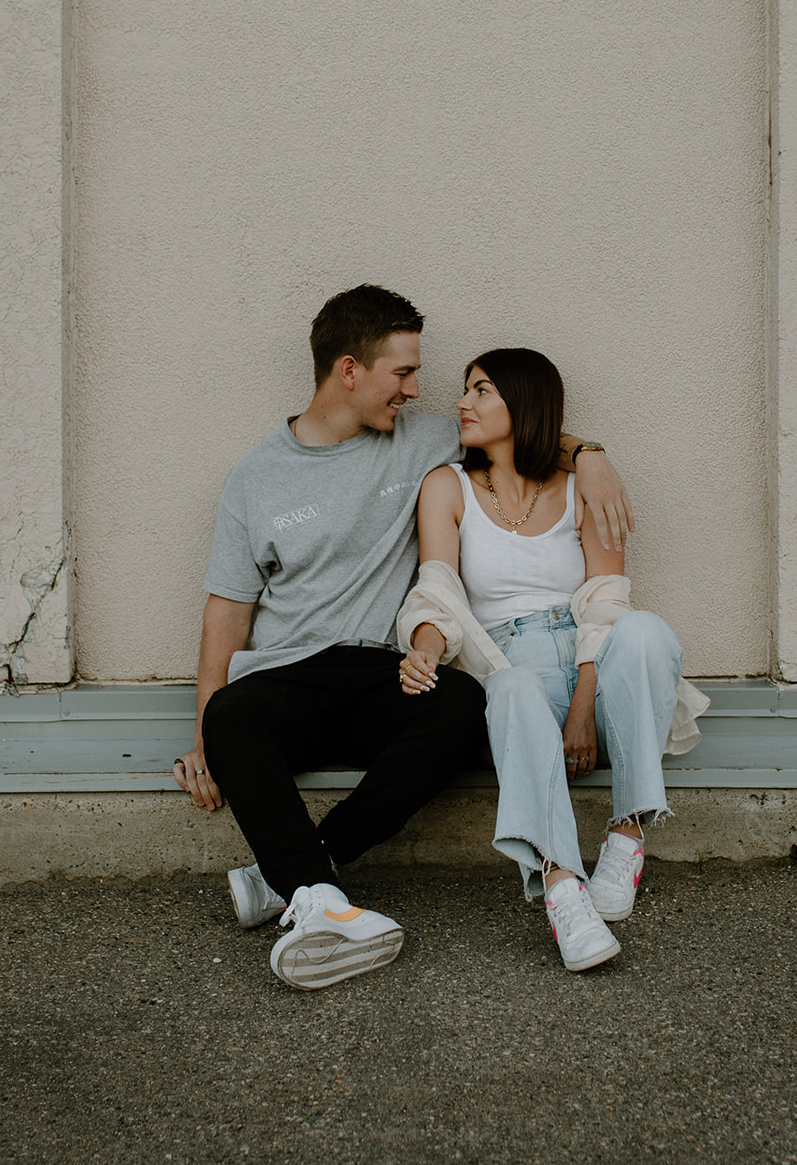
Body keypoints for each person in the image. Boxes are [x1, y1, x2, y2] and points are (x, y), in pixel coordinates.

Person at [173, 287, 635, 991]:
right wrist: (204, 730)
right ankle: (320, 898)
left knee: (462, 704)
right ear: (349, 370)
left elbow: (525, 432)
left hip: (383, 676)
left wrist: (591, 455)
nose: (416, 390)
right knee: (230, 714)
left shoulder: (423, 441)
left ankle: (301, 882)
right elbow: (227, 613)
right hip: (289, 679)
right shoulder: (255, 477)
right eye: (403, 373)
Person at [396, 348, 707, 973]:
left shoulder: (577, 490)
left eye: (481, 390)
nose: (462, 402)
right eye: (466, 389)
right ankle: (564, 890)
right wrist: (424, 646)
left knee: (644, 630)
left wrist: (584, 709)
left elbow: (606, 600)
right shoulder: (447, 486)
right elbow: (437, 589)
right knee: (511, 689)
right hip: (513, 664)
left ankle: (627, 838)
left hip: (593, 666)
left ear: (523, 403)